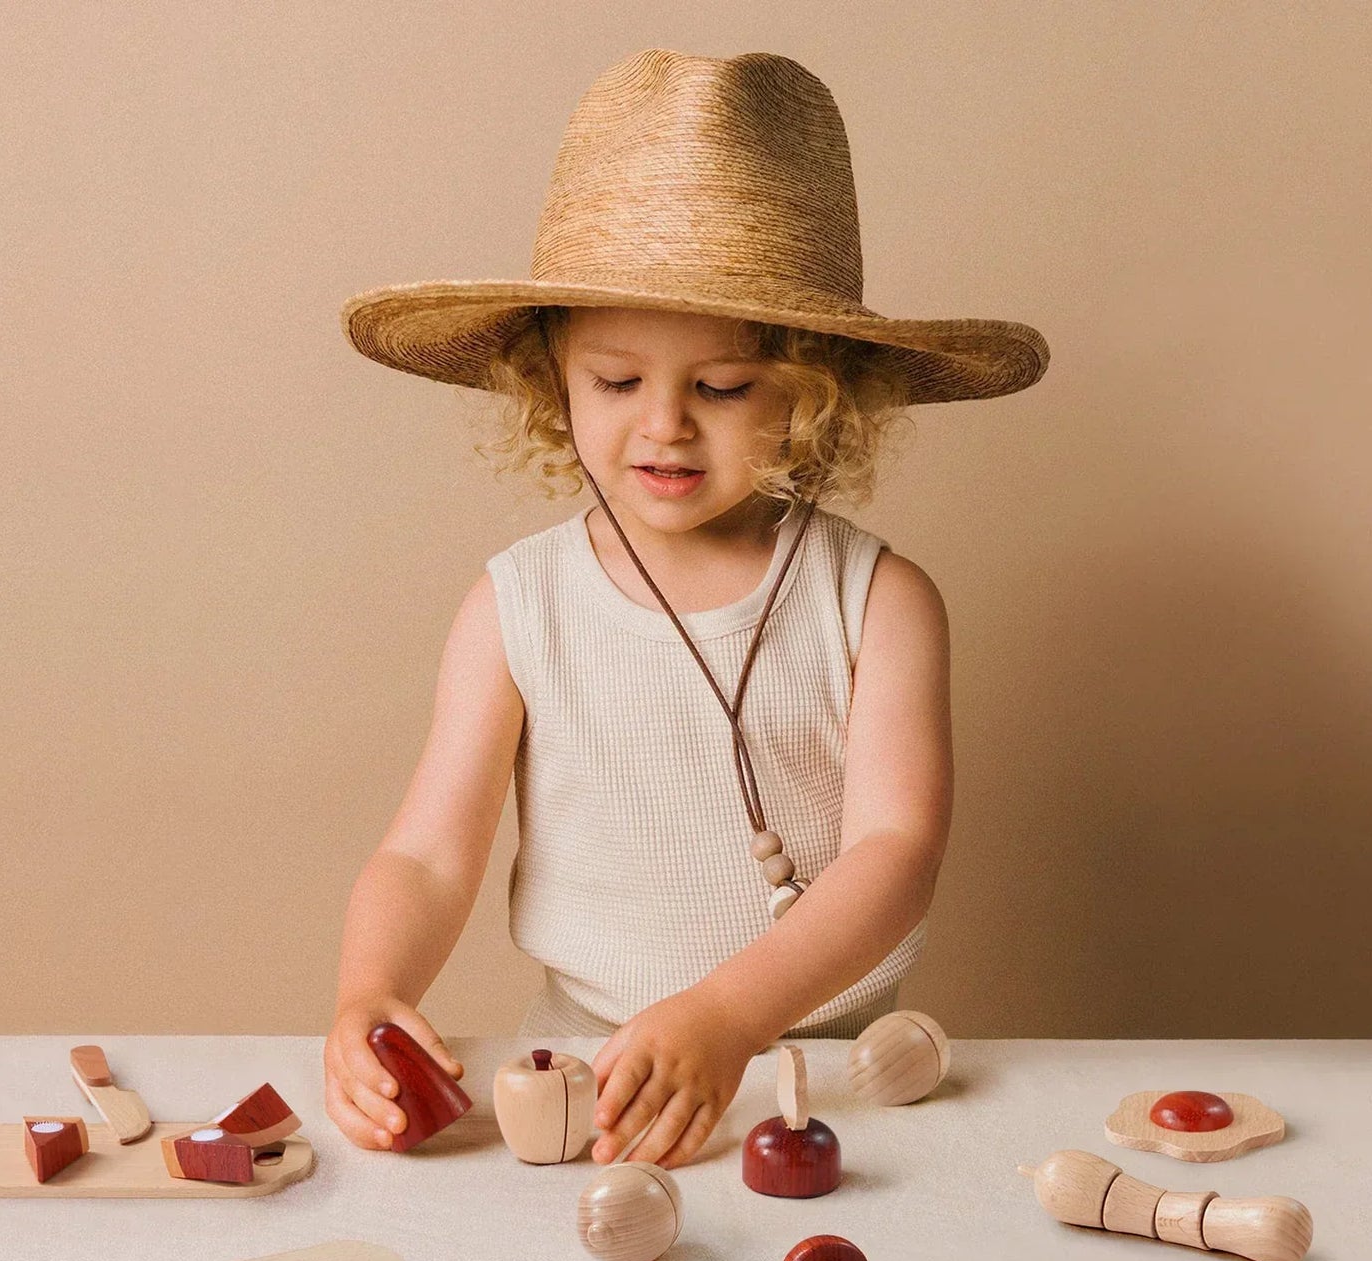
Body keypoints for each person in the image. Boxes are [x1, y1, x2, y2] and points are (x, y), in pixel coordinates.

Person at [323, 48, 1049, 1169]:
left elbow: (894, 847)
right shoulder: (518, 603)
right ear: (550, 376)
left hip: (837, 1092)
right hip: (580, 1095)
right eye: (616, 383)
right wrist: (368, 993)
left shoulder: (877, 599)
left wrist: (726, 1015)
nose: (662, 425)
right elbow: (426, 854)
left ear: (812, 391)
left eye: (719, 388)